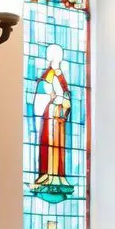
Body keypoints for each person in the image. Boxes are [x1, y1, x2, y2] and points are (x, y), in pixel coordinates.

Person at [31, 43, 74, 198]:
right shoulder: (48, 74)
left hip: (60, 116)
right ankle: (48, 175)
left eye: (60, 54)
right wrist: (57, 99)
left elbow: (66, 93)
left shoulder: (60, 75)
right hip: (51, 115)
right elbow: (46, 93)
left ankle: (59, 176)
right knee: (50, 144)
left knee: (59, 145)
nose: (60, 57)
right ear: (51, 57)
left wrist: (66, 101)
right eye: (57, 54)